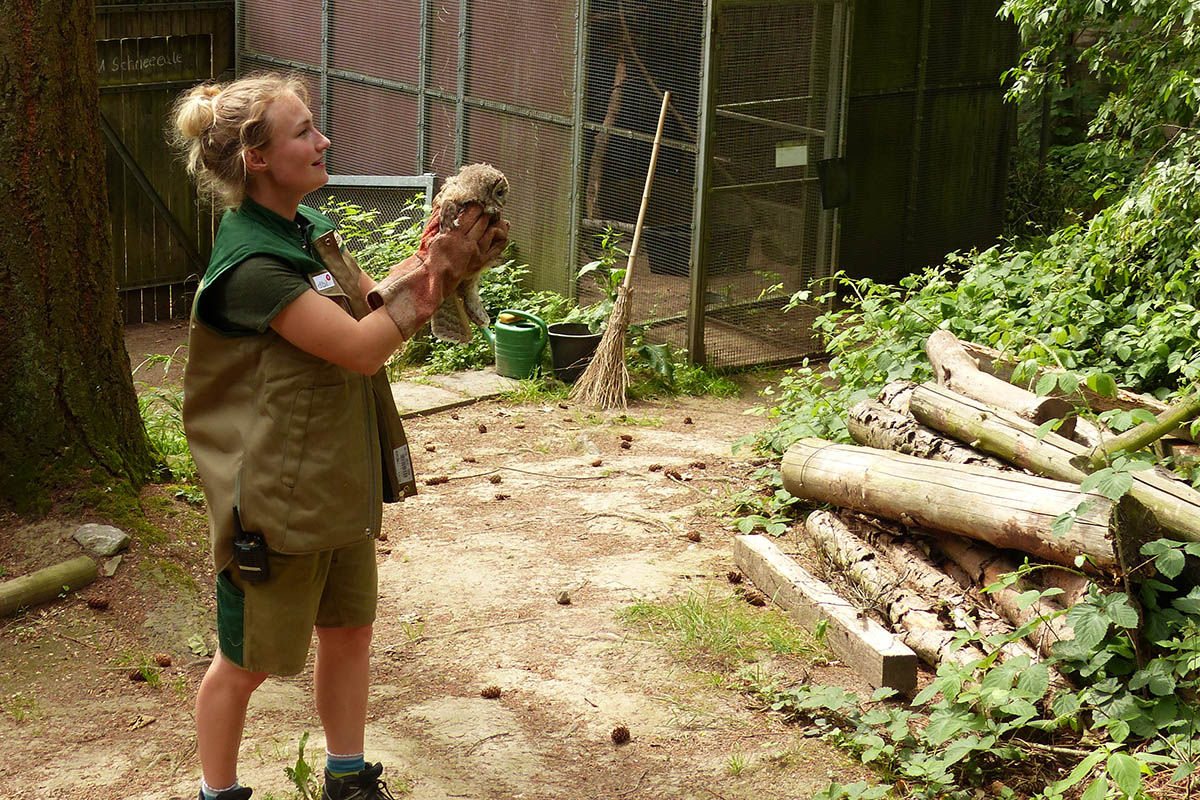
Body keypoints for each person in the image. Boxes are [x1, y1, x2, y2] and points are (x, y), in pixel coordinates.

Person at [169, 73, 508, 800]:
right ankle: (217, 793)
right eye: (303, 133)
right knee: (247, 661)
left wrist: (432, 267)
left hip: (336, 477)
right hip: (276, 496)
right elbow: (359, 348)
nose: (322, 141)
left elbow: (368, 310)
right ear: (257, 159)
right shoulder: (253, 265)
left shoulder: (304, 229)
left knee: (350, 629)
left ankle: (347, 779)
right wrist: (430, 283)